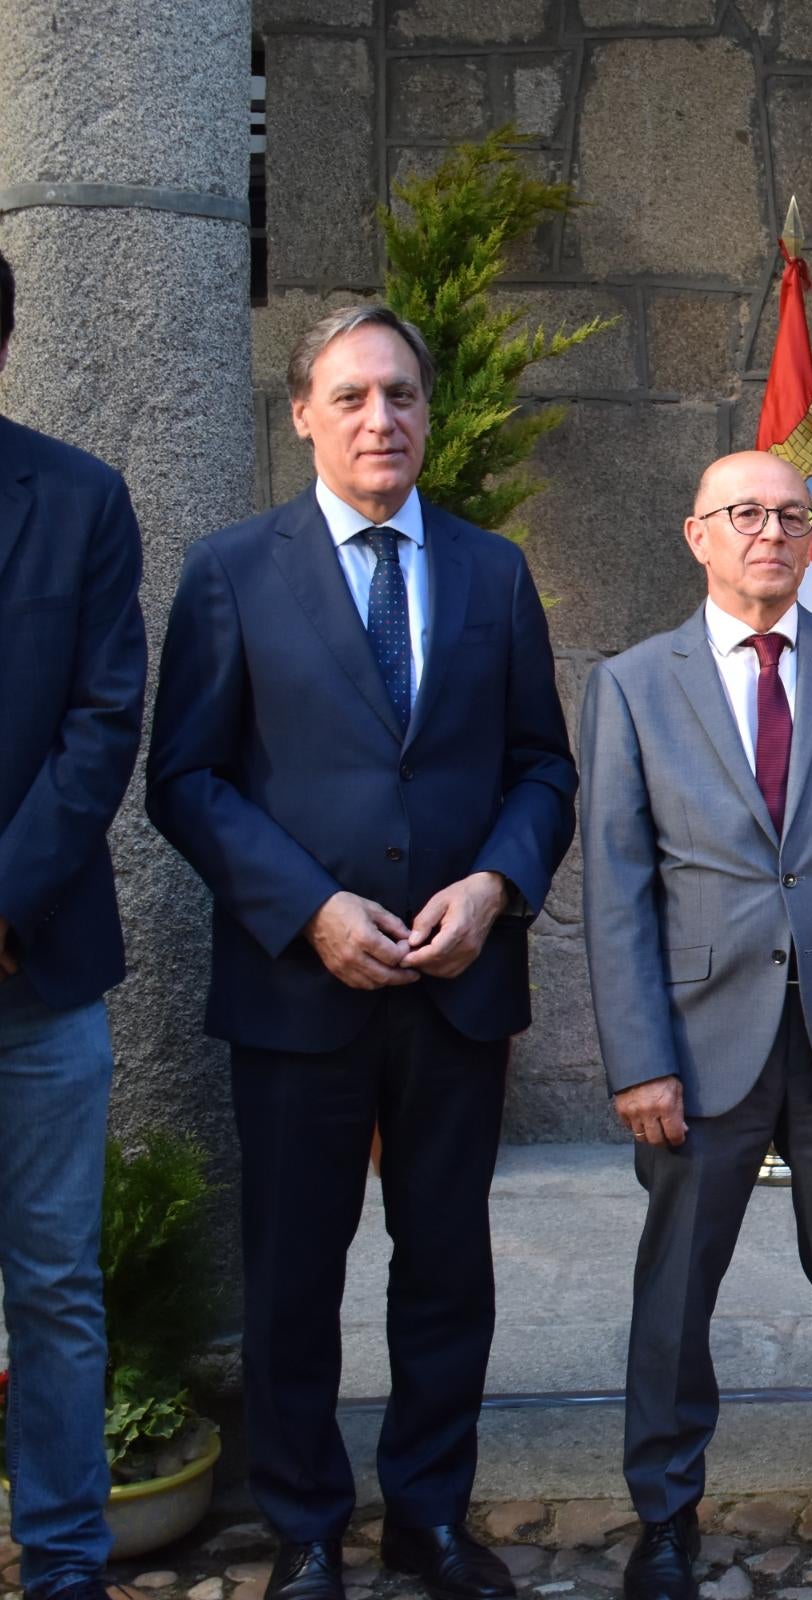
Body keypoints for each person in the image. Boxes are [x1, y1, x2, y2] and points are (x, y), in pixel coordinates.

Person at [146, 306, 577, 1600]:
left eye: (400, 396)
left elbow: (542, 765)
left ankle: (429, 1517)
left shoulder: (493, 572)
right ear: (302, 415)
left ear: (427, 413)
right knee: (293, 1274)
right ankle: (304, 1527)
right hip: (298, 988)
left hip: (458, 987)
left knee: (447, 1266)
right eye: (350, 398)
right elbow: (187, 778)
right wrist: (309, 908)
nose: (379, 419)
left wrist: (497, 884)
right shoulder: (233, 571)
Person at [580, 452, 812, 1598]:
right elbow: (615, 888)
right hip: (698, 1045)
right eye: (745, 514)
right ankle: (666, 1514)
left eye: (795, 516)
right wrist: (638, 1057)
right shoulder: (634, 684)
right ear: (697, 534)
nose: (772, 534)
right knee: (677, 1286)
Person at [0, 246, 149, 1600]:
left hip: (34, 975)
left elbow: (105, 725)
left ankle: (62, 1558)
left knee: (51, 1281)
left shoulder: (81, 500)